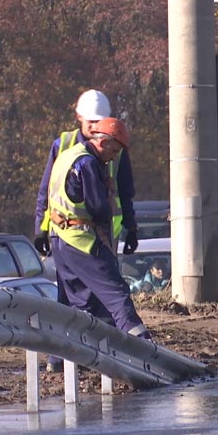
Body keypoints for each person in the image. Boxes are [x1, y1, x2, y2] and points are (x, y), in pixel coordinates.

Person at [47, 117, 151, 341]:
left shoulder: (67, 155)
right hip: (81, 241)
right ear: (102, 143)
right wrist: (106, 189)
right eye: (113, 151)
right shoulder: (88, 164)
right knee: (117, 295)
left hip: (59, 238)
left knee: (79, 304)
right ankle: (145, 352)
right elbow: (98, 209)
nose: (113, 158)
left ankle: (65, 360)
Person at [34, 89, 139, 256]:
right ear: (79, 117)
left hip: (105, 234)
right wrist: (41, 229)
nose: (95, 127)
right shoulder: (62, 145)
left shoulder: (116, 149)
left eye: (99, 121)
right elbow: (46, 191)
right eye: (91, 121)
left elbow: (126, 192)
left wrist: (131, 228)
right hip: (68, 233)